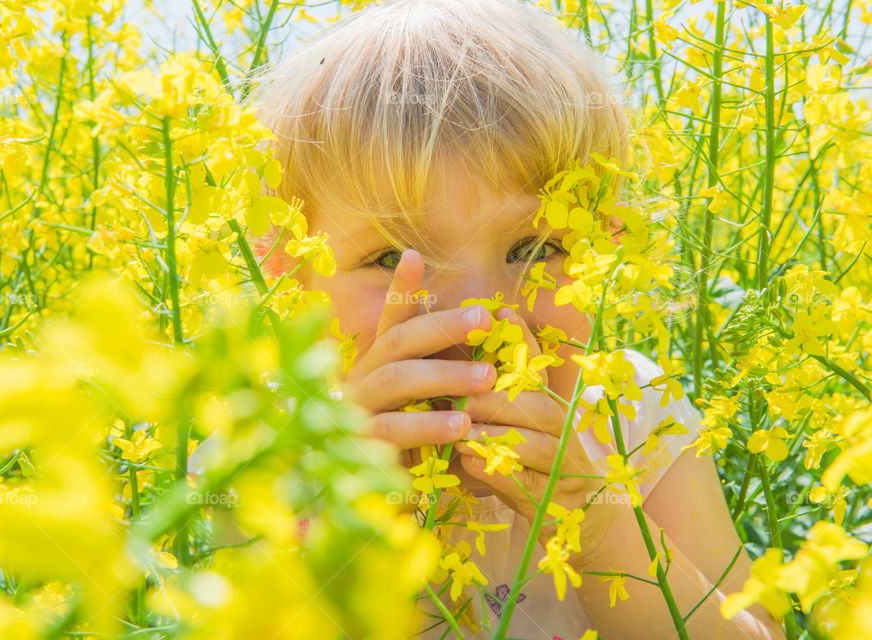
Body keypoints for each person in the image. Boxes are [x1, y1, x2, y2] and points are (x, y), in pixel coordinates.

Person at [231, 0, 786, 637]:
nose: (478, 313)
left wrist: (594, 520)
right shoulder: (260, 450)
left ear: (605, 250)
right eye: (392, 258)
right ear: (289, 275)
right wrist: (373, 518)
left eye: (534, 250)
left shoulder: (636, 416)